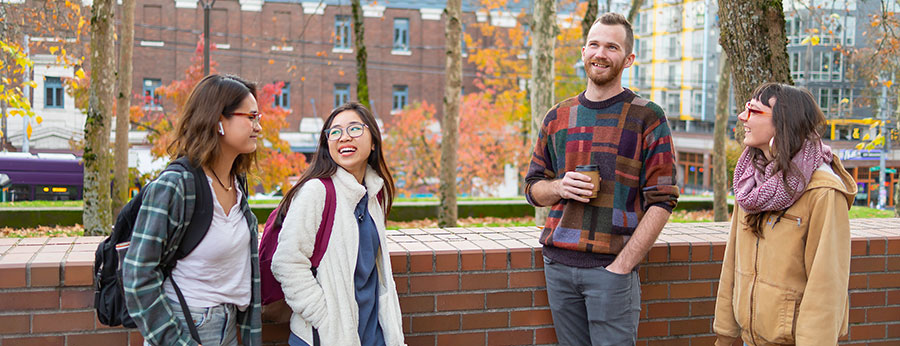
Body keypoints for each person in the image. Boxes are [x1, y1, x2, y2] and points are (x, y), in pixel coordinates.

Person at [524, 12, 679, 346]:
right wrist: (559, 186)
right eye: (594, 44)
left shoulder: (647, 116)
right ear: (583, 52)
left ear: (628, 59)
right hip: (558, 266)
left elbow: (663, 199)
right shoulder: (557, 116)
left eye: (611, 47)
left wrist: (622, 265)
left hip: (612, 271)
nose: (600, 53)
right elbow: (532, 187)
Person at [123, 74, 263, 346]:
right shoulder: (176, 186)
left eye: (259, 118)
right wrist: (175, 341)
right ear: (220, 121)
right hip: (186, 326)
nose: (258, 127)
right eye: (251, 117)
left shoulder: (236, 181)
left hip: (228, 325)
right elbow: (137, 273)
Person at [714, 83, 856, 345]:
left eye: (754, 111)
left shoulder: (823, 191)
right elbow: (732, 263)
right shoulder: (749, 183)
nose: (742, 117)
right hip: (750, 339)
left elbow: (826, 287)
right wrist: (724, 332)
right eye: (746, 109)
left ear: (784, 123)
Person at [271, 102, 405, 346]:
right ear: (327, 144)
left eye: (354, 129)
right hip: (326, 337)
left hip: (372, 333)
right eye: (335, 132)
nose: (344, 137)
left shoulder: (373, 193)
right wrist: (325, 318)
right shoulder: (316, 191)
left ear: (373, 141)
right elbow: (286, 262)